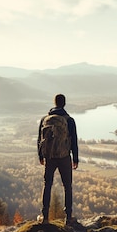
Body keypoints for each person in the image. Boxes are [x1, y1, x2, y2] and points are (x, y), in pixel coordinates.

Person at [37, 94, 79, 224]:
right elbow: (74, 140)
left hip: (49, 157)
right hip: (64, 157)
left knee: (47, 185)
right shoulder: (69, 120)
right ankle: (69, 217)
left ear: (54, 103)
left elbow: (40, 139)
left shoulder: (45, 119)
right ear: (64, 104)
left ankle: (45, 217)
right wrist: (75, 158)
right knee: (67, 186)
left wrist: (41, 155)